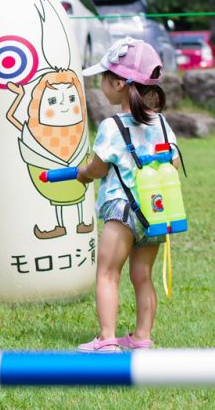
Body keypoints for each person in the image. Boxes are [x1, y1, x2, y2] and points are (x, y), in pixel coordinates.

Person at [75, 38, 179, 353]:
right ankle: (142, 338)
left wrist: (83, 174)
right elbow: (173, 161)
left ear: (119, 83)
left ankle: (107, 339)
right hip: (155, 212)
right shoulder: (161, 123)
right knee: (142, 276)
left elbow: (98, 166)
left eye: (105, 78)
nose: (101, 83)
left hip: (122, 213)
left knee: (107, 273)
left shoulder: (112, 125)